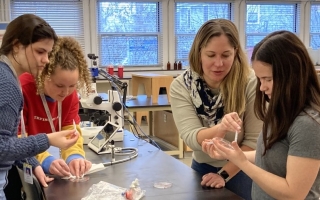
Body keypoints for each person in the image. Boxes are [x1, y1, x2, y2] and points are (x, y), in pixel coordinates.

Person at [203, 30, 320, 199]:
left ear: (291, 75)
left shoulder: (308, 124)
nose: (262, 88)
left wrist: (241, 163)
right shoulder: (280, 112)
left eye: (268, 79)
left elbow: (293, 193)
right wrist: (231, 153)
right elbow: (270, 155)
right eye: (259, 79)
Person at [170, 18, 263, 200]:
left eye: (226, 55)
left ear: (235, 53)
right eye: (211, 55)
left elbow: (254, 141)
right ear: (199, 54)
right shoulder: (181, 86)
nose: (219, 63)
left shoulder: (251, 82)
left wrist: (223, 174)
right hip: (203, 167)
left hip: (243, 167)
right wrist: (221, 129)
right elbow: (192, 137)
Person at [0, 14, 79, 199]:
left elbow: (10, 140)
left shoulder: (7, 77)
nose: (46, 60)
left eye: (48, 53)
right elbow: (2, 147)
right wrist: (48, 140)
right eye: (40, 51)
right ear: (17, 45)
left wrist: (33, 162)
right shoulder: (8, 85)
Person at [19, 36, 92, 178]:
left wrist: (74, 157)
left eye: (72, 85)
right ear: (43, 74)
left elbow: (70, 130)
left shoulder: (70, 95)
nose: (66, 92)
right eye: (59, 86)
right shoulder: (23, 89)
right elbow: (18, 138)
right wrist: (46, 160)